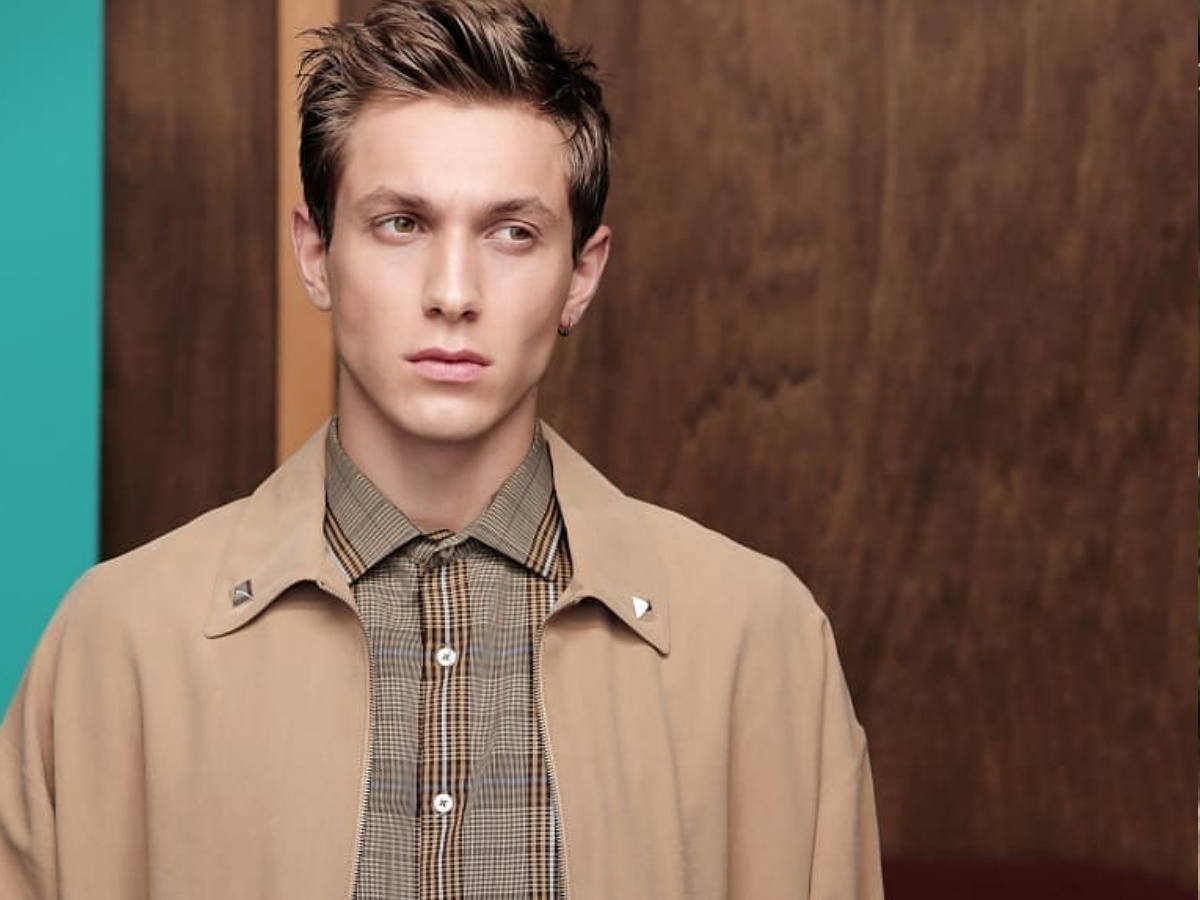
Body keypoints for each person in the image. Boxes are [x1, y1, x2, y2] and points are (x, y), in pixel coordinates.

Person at [0, 0, 884, 897]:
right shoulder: (114, 647)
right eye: (402, 223)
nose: (453, 292)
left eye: (512, 232)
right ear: (315, 253)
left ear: (581, 274)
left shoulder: (761, 647)